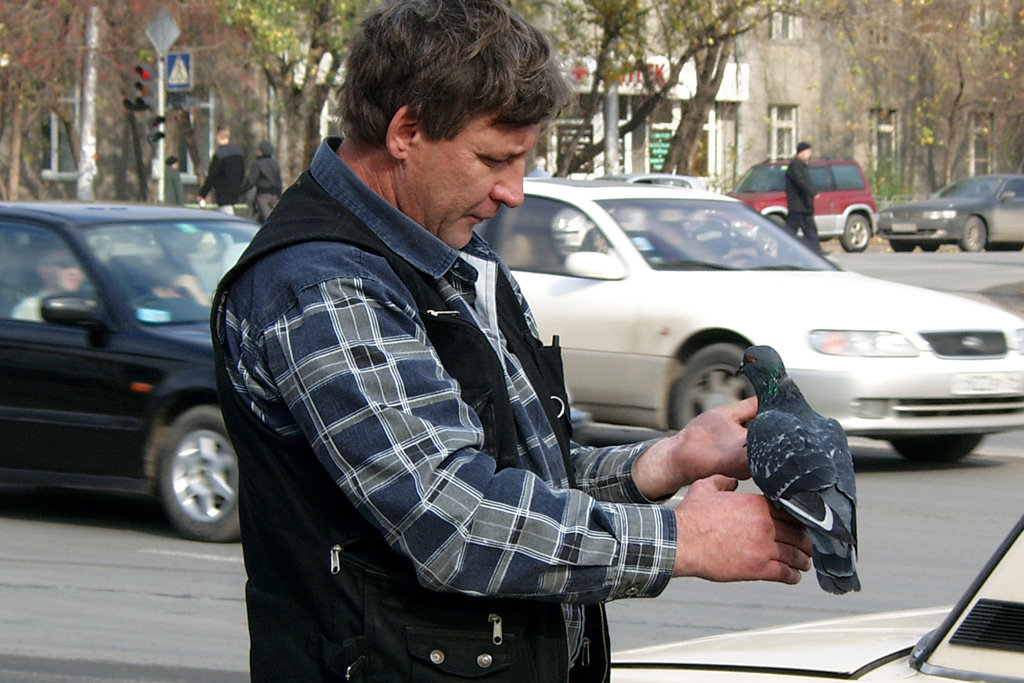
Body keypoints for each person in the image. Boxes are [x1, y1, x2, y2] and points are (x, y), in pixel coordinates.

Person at [211, 2, 812, 681]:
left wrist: (665, 461)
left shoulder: (455, 255)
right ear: (406, 130)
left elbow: (526, 477)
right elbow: (455, 519)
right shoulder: (320, 286)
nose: (514, 191)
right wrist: (685, 538)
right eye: (494, 158)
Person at [11, 247, 87, 321]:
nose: (74, 272)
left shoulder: (90, 303)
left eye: (78, 265)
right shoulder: (31, 308)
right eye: (64, 265)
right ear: (43, 271)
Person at [197, 126, 245, 214]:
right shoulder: (238, 154)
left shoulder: (219, 155)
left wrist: (202, 194)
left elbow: (212, 176)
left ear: (218, 137)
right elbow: (242, 174)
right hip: (236, 194)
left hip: (223, 194)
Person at [785, 141, 820, 253]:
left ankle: (816, 251)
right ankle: (783, 251)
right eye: (808, 151)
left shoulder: (802, 165)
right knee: (791, 231)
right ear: (801, 152)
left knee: (810, 230)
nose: (810, 154)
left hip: (804, 205)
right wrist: (812, 192)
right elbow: (801, 182)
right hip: (797, 205)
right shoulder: (795, 165)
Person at [238, 140, 283, 223]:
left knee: (267, 219)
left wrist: (241, 191)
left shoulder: (257, 164)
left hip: (263, 196)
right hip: (274, 195)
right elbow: (279, 181)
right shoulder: (275, 164)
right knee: (267, 218)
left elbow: (251, 181)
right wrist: (279, 195)